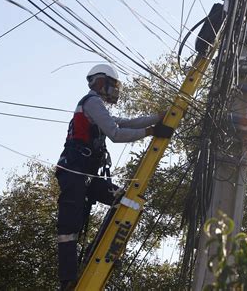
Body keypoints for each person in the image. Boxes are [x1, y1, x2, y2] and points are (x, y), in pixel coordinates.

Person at [55, 63, 174, 290]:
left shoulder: (96, 107)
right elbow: (117, 134)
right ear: (101, 82)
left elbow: (125, 122)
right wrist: (150, 132)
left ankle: (97, 250)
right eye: (112, 85)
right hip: (74, 172)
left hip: (87, 175)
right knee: (69, 228)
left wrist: (157, 118)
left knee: (125, 200)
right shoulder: (92, 102)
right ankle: (67, 280)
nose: (114, 90)